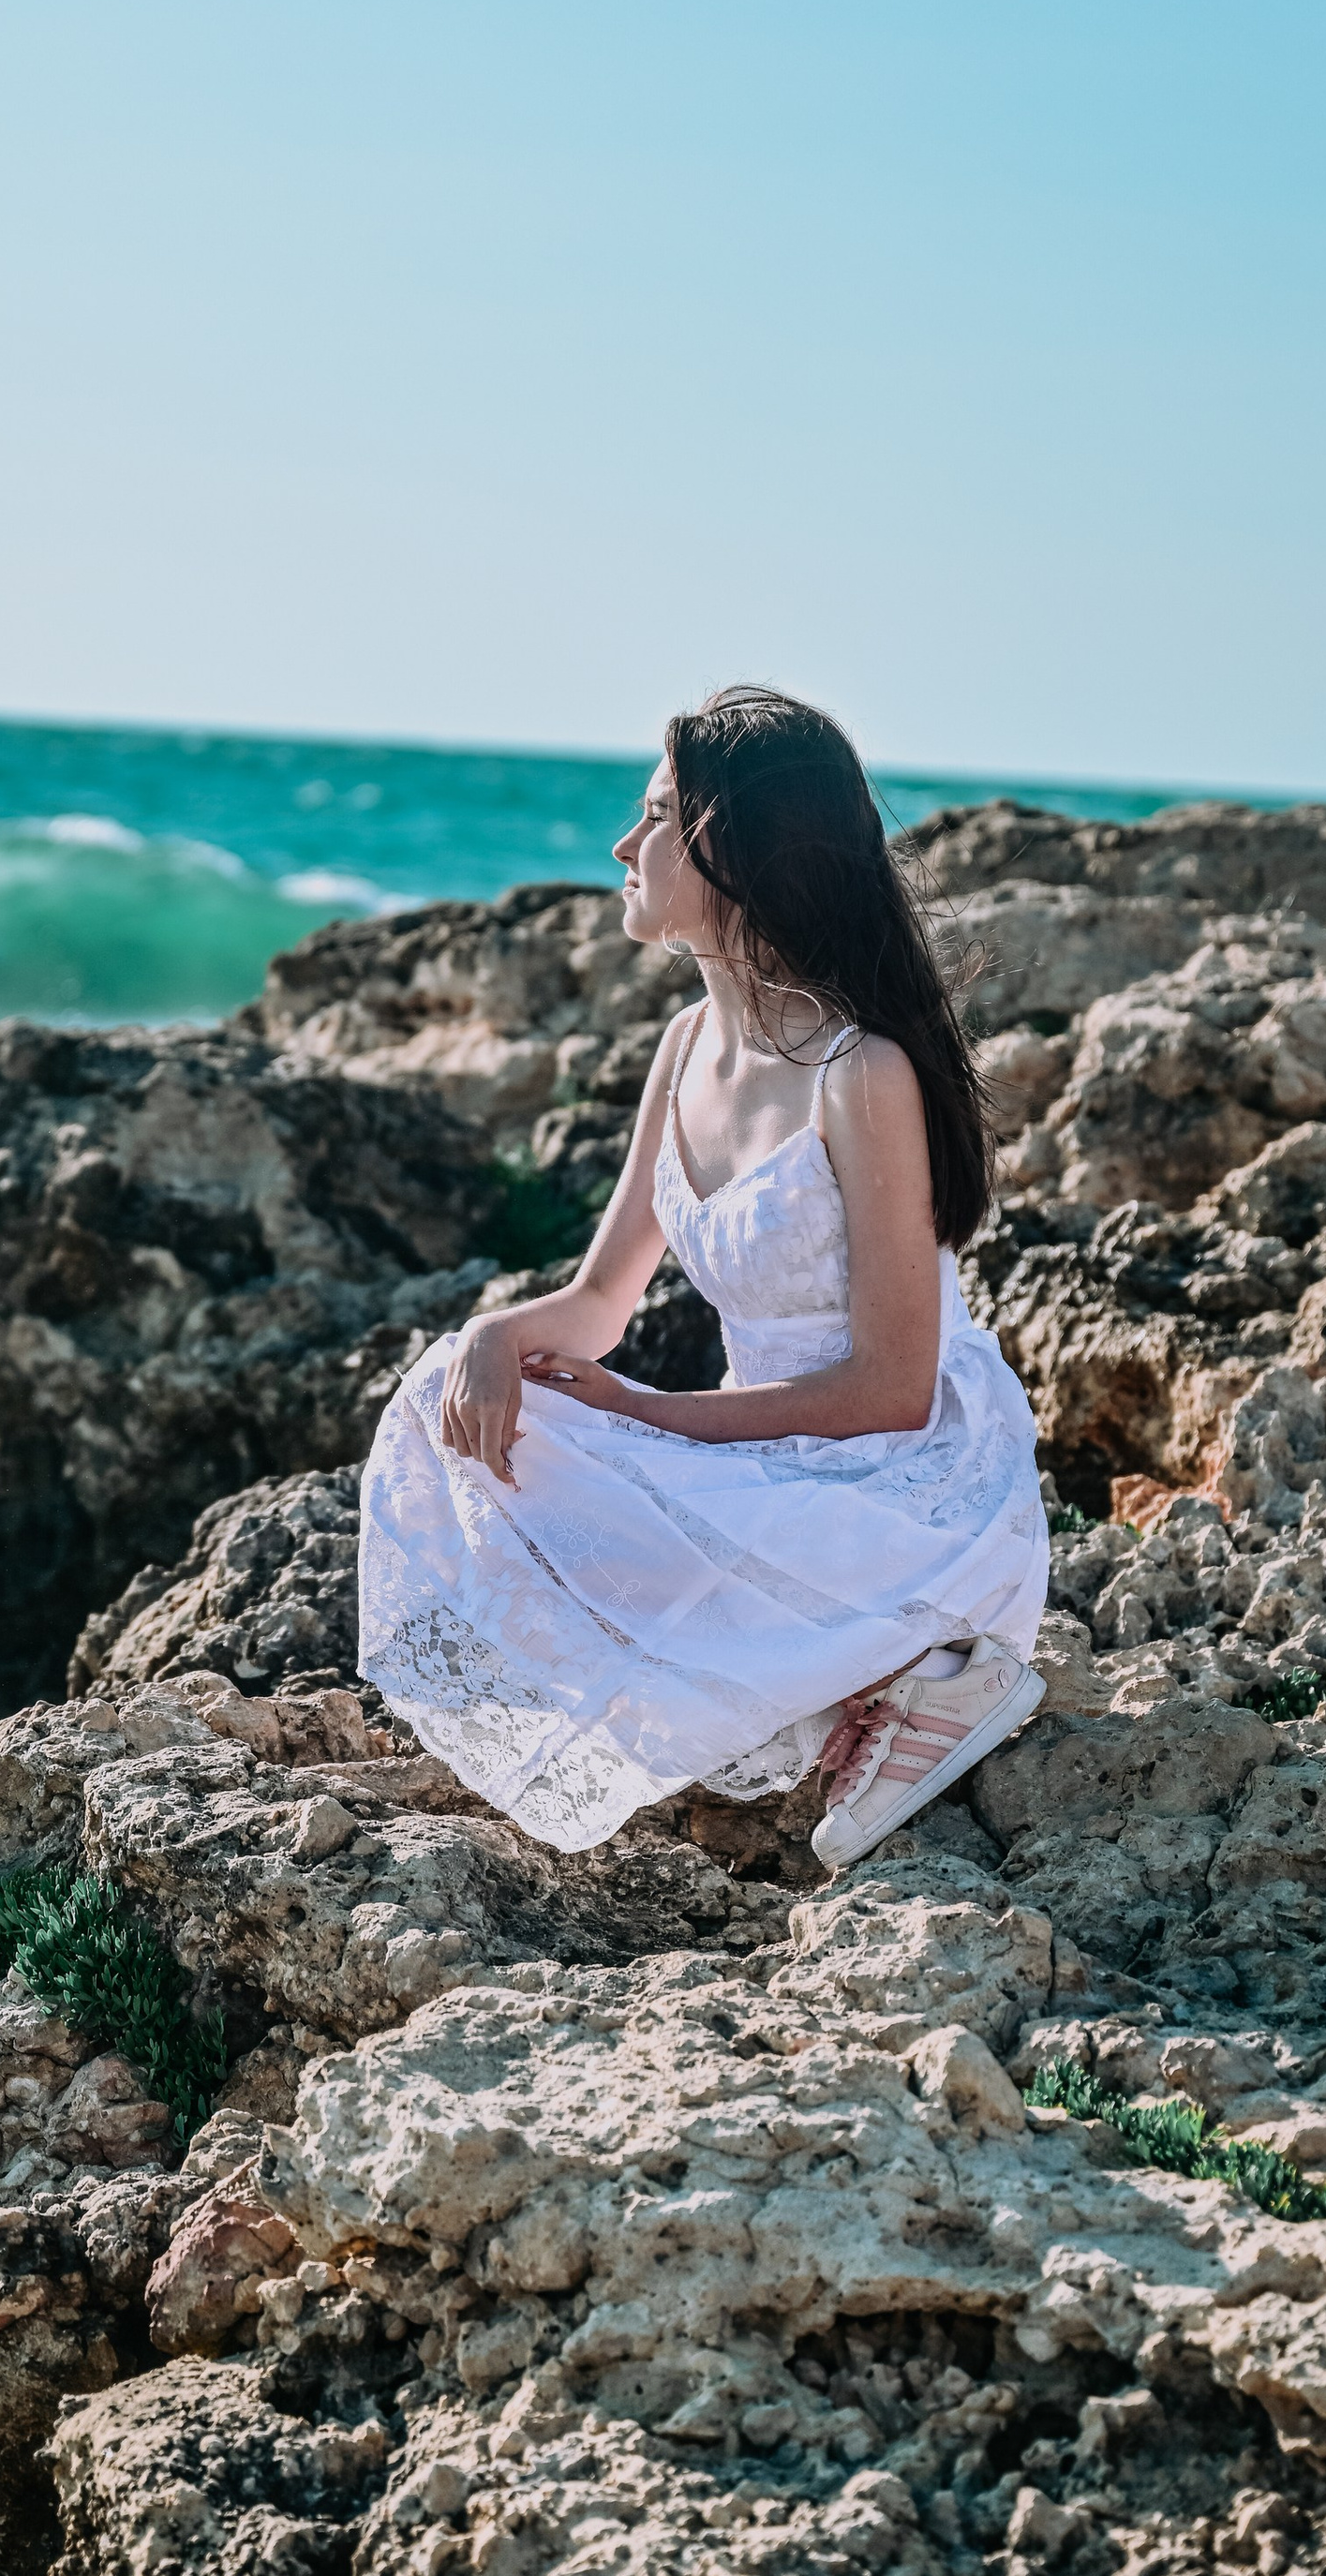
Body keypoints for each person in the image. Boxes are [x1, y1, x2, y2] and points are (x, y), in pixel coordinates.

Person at [356, 686, 1048, 1864]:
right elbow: (597, 1305)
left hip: (911, 1486)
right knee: (446, 1401)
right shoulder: (684, 1046)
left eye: (657, 815)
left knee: (599, 1452)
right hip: (760, 1457)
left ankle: (928, 1665)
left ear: (736, 842)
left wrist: (657, 1418)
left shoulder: (858, 1069)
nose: (625, 846)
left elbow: (895, 1390)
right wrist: (488, 1337)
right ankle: (862, 1683)